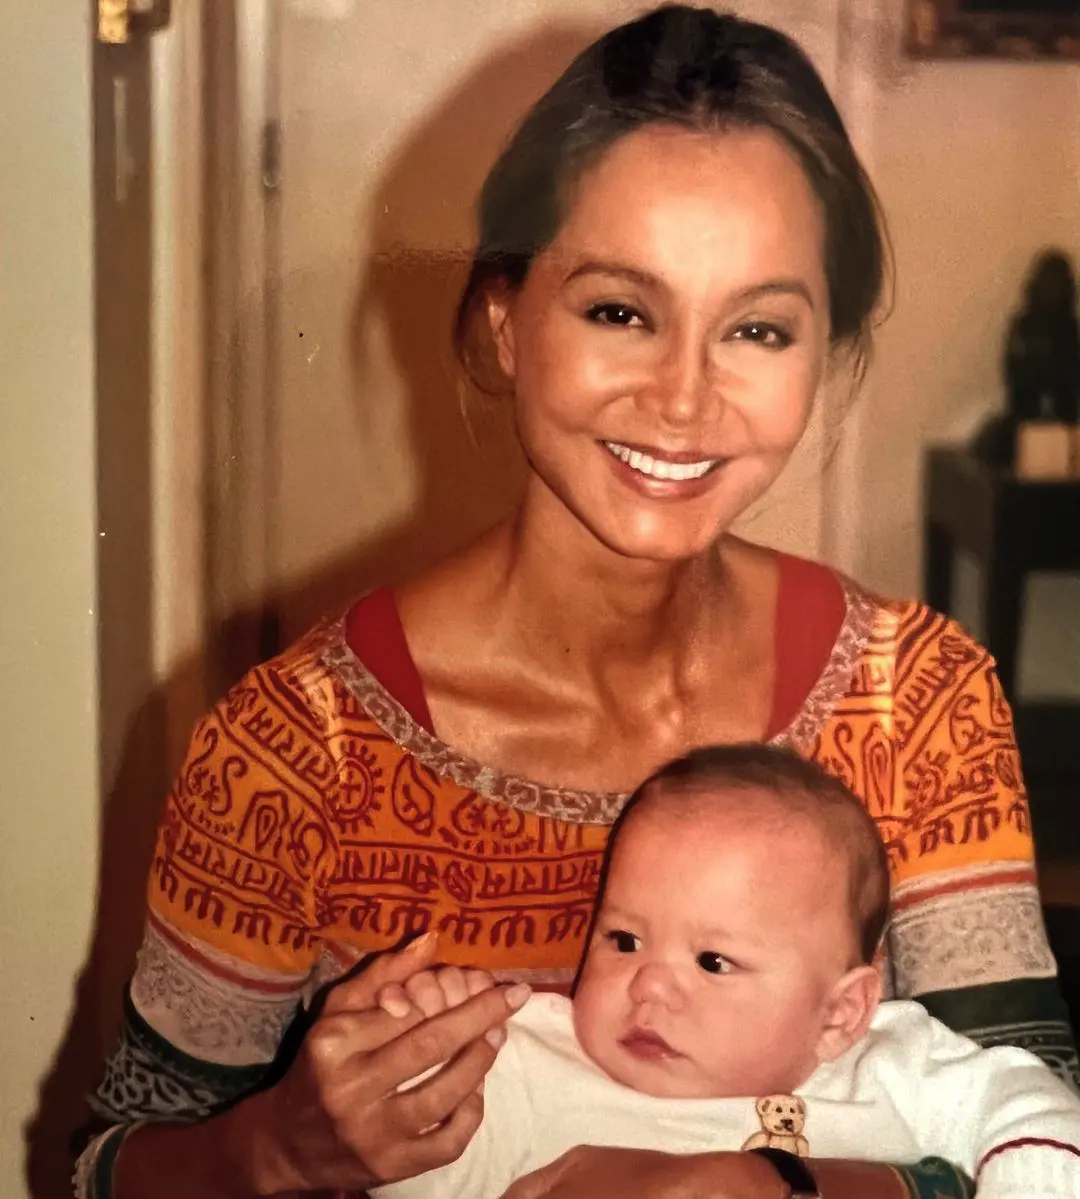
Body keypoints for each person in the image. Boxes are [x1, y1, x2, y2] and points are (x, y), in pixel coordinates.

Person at [75, 5, 1078, 1199]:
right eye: (619, 310)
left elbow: (1036, 1120)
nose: (684, 397)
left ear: (822, 354)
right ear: (505, 323)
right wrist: (277, 1146)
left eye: (757, 328)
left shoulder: (913, 698)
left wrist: (773, 1183)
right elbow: (104, 1166)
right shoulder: (292, 754)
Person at [367, 744, 1080, 1199]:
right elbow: (413, 1171)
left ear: (838, 1014)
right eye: (623, 938)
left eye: (712, 960)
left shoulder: (891, 1065)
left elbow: (1026, 1103)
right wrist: (419, 1049)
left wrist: (1032, 1178)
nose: (647, 983)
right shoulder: (528, 1056)